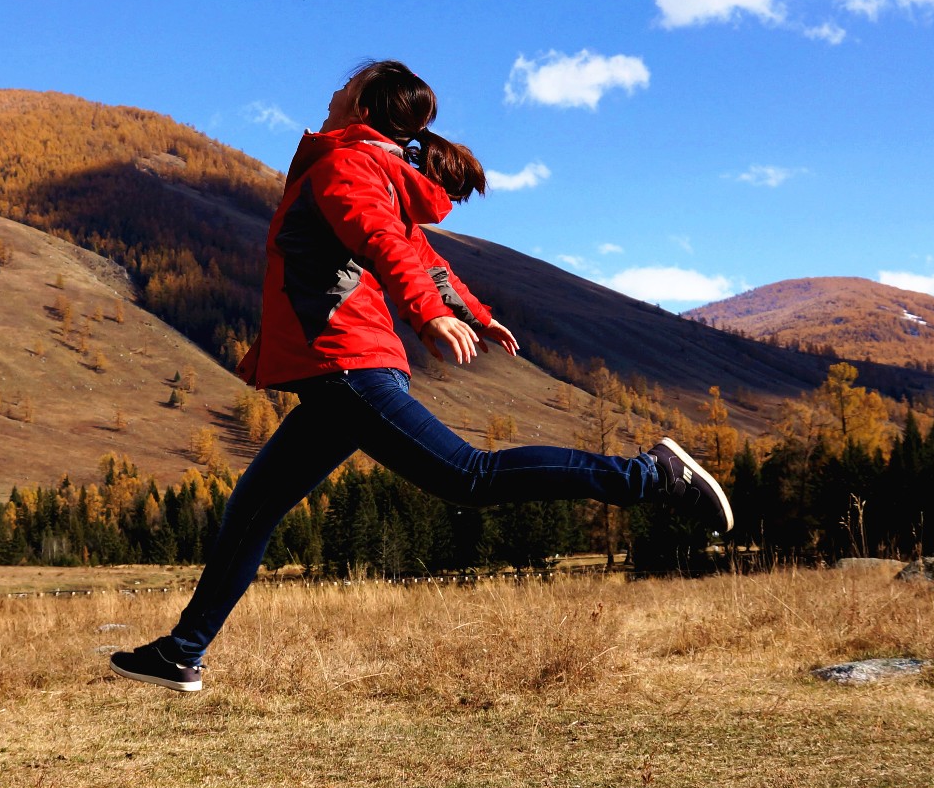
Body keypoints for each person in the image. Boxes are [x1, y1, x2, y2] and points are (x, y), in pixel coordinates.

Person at [110, 60, 731, 693]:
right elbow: (420, 253)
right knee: (253, 508)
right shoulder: (367, 167)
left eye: (343, 87)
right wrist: (474, 313)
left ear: (358, 106)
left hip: (348, 367)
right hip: (335, 373)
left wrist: (433, 315)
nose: (329, 92)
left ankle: (651, 477)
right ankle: (182, 651)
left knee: (470, 477)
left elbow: (384, 243)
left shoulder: (345, 166)